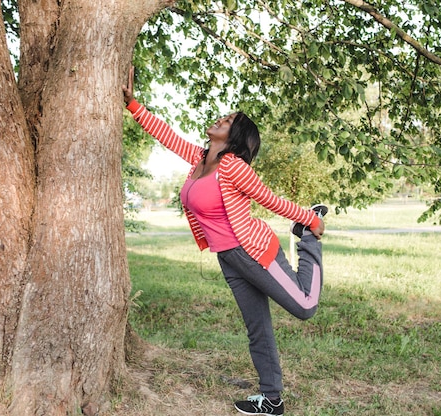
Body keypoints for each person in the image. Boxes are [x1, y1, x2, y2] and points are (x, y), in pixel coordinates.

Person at [122, 67, 327, 416]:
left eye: (228, 120)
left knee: (305, 307)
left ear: (236, 137)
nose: (220, 119)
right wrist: (133, 105)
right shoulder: (201, 160)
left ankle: (309, 240)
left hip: (255, 251)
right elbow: (168, 137)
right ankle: (272, 399)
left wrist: (310, 220)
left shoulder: (232, 166)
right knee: (257, 327)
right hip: (229, 258)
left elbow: (269, 199)